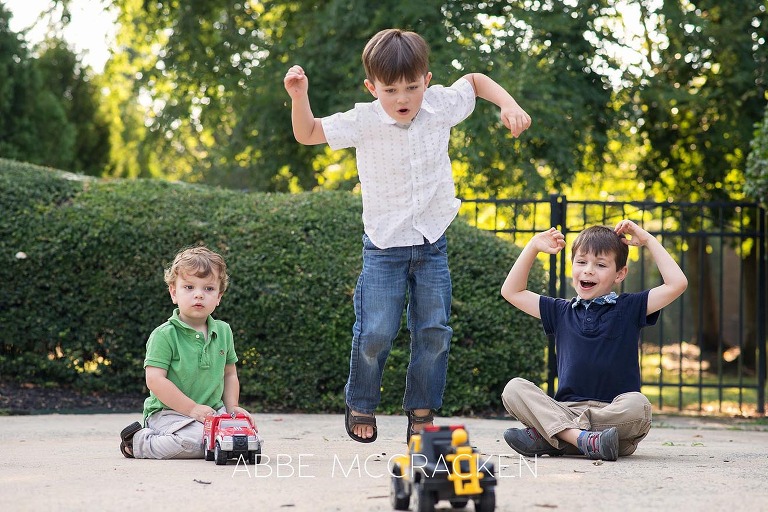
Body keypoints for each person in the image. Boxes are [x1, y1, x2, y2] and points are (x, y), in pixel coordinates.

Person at [284, 28, 531, 443]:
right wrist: (298, 96)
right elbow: (307, 133)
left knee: (433, 330)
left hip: (432, 242)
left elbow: (474, 81)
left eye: (412, 87)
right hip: (383, 247)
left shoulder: (440, 105)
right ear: (371, 86)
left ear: (427, 81)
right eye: (391, 89)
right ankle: (361, 401)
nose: (403, 99)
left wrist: (509, 103)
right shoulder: (363, 120)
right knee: (376, 331)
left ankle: (421, 410)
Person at [500, 220, 687, 461]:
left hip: (614, 415)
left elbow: (677, 283)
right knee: (514, 388)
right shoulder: (560, 311)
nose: (588, 270)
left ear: (620, 273)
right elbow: (511, 291)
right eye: (581, 262)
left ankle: (558, 437)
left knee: (639, 405)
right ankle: (584, 440)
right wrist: (533, 247)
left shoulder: (630, 307)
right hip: (567, 409)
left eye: (600, 265)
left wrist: (649, 240)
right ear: (572, 268)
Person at [119, 246, 254, 459]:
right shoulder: (165, 335)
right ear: (174, 292)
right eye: (189, 287)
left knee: (244, 440)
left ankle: (199, 435)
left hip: (211, 412)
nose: (199, 294)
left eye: (208, 289)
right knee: (198, 442)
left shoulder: (224, 331)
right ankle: (139, 442)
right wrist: (191, 409)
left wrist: (233, 408)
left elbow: (229, 374)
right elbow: (155, 380)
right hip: (168, 413)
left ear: (219, 296)